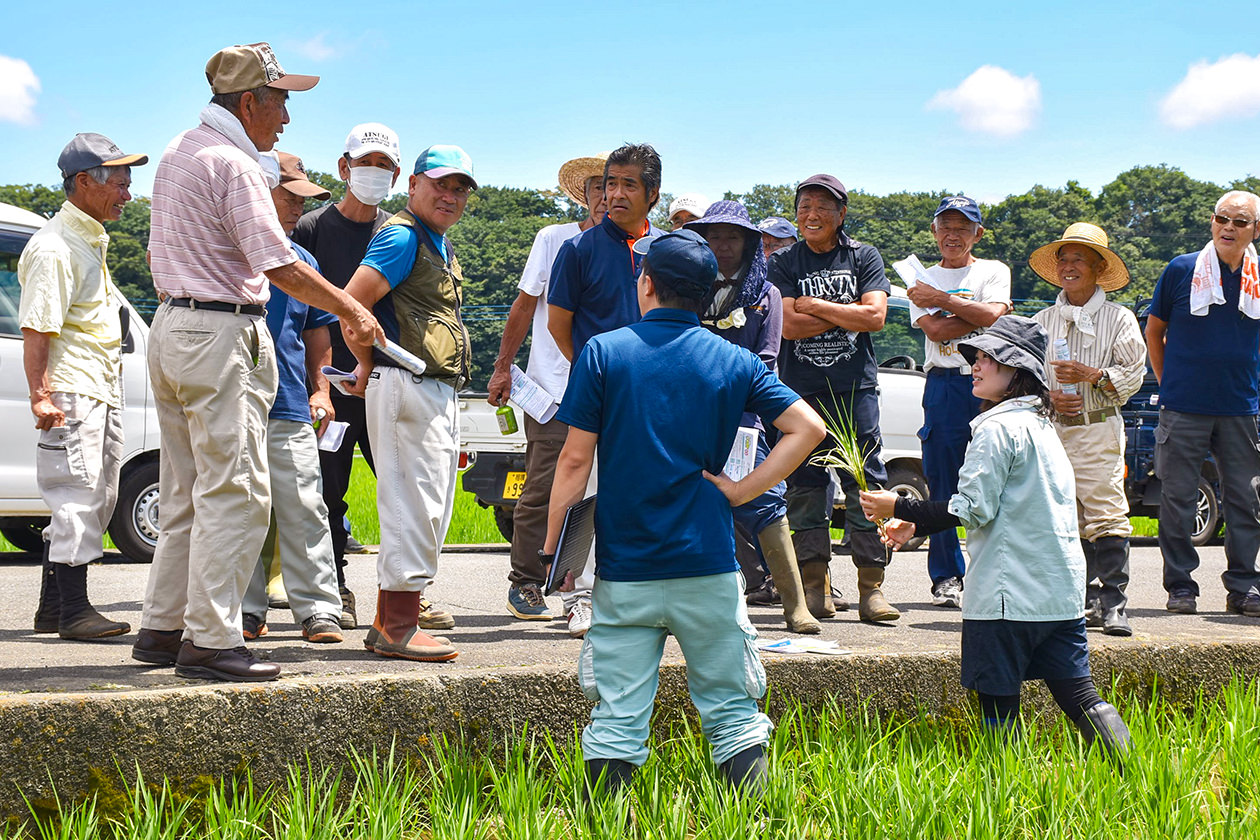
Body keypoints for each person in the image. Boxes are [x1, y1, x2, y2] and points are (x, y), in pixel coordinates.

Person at [542, 228, 825, 800]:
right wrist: (742, 492)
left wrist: (555, 550)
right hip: (709, 565)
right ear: (703, 297)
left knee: (617, 717)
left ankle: (608, 825)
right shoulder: (735, 359)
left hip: (627, 570)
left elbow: (574, 462)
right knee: (732, 710)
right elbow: (808, 429)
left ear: (645, 284)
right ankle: (751, 823)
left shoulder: (603, 352)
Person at [133, 42, 381, 682]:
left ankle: (164, 626)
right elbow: (278, 263)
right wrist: (351, 311)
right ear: (249, 102)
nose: (287, 118)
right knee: (237, 490)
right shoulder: (236, 164)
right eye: (280, 101)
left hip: (173, 323)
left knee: (186, 487)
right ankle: (211, 638)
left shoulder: (179, 150)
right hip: (219, 332)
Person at [861, 316, 1131, 761]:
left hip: (1007, 598)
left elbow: (971, 508)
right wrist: (919, 523)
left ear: (1018, 372)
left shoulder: (995, 428)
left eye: (990, 359)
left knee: (997, 703)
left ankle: (1004, 794)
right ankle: (1136, 775)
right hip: (1059, 595)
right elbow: (994, 504)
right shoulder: (1043, 428)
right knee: (1081, 696)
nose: (977, 366)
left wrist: (899, 507)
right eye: (978, 357)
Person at [343, 144, 478, 662]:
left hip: (432, 388)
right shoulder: (402, 236)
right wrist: (365, 362)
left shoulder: (437, 242)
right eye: (440, 184)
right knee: (412, 504)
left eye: (460, 187)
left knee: (432, 506)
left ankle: (389, 621)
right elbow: (353, 304)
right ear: (414, 183)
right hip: (405, 383)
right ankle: (398, 624)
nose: (450, 195)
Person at [18, 133, 147, 640]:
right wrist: (41, 394)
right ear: (82, 183)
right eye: (119, 183)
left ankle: (53, 609)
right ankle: (73, 612)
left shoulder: (88, 239)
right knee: (76, 496)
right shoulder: (54, 247)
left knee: (95, 495)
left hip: (95, 387)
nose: (127, 194)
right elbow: (38, 327)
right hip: (71, 390)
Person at [684, 200, 820, 634]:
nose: (723, 245)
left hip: (745, 416)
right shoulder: (688, 286)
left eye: (733, 236)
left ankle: (796, 605)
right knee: (691, 499)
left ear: (749, 243)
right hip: (690, 413)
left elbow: (766, 358)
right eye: (714, 236)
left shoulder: (768, 295)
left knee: (765, 499)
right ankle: (689, 605)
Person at [546, 143, 665, 637]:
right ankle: (579, 597)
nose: (614, 194)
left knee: (649, 489)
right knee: (587, 487)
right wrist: (596, 370)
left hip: (657, 391)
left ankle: (643, 594)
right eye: (609, 183)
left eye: (627, 184)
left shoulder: (670, 250)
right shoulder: (579, 249)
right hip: (596, 389)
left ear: (652, 194)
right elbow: (558, 325)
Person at [769, 173, 897, 622]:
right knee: (805, 487)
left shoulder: (863, 255)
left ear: (841, 213)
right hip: (801, 392)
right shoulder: (783, 262)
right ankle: (814, 585)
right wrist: (849, 315)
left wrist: (816, 306)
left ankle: (871, 588)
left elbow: (876, 316)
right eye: (804, 206)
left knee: (866, 483)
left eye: (823, 206)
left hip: (854, 388)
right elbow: (787, 325)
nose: (811, 214)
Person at [486, 153, 607, 621]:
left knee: (613, 488)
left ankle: (598, 586)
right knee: (542, 485)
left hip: (618, 386)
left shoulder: (648, 245)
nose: (605, 196)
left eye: (617, 186)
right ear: (585, 195)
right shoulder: (555, 238)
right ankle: (527, 581)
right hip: (554, 388)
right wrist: (502, 367)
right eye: (598, 187)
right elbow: (523, 306)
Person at [292, 122, 402, 630]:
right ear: (344, 168)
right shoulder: (312, 227)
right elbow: (297, 307)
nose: (374, 173)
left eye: (385, 166)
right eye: (366, 163)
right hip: (330, 387)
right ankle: (335, 587)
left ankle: (403, 594)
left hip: (381, 382)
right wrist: (314, 382)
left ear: (398, 175)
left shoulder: (396, 231)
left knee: (399, 487)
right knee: (328, 489)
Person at [238, 151, 345, 645]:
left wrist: (321, 389)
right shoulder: (232, 250)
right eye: (289, 197)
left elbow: (317, 332)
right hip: (235, 400)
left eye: (301, 201)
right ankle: (245, 611)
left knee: (306, 504)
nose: (295, 210)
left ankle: (319, 609)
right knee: (242, 508)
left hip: (289, 401)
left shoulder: (304, 262)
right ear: (259, 189)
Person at [1146, 190, 1260, 617]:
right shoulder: (1182, 269)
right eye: (1221, 218)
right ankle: (1180, 587)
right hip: (1183, 405)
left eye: (1239, 221)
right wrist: (1167, 381)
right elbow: (1154, 331)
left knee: (1246, 499)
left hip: (1241, 407)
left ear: (1256, 230)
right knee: (1177, 498)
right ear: (1212, 222)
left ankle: (1244, 586)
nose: (1228, 227)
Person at [1030, 223, 1146, 636]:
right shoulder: (1041, 320)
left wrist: (1092, 374)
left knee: (1106, 512)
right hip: (1053, 428)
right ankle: (1075, 600)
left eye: (1079, 258)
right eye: (1064, 258)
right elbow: (1022, 379)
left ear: (1099, 267)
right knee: (1062, 515)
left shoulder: (1120, 319)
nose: (1069, 265)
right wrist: (1048, 397)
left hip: (1098, 427)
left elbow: (1133, 377)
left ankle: (1114, 602)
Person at [905, 196, 1011, 609]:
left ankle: (995, 572)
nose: (952, 235)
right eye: (944, 226)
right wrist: (973, 312)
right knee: (944, 481)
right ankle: (946, 576)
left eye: (962, 228)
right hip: (944, 384)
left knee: (997, 480)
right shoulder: (919, 275)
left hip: (989, 383)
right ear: (933, 232)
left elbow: (995, 318)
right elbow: (933, 329)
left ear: (977, 234)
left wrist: (944, 299)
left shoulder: (993, 270)